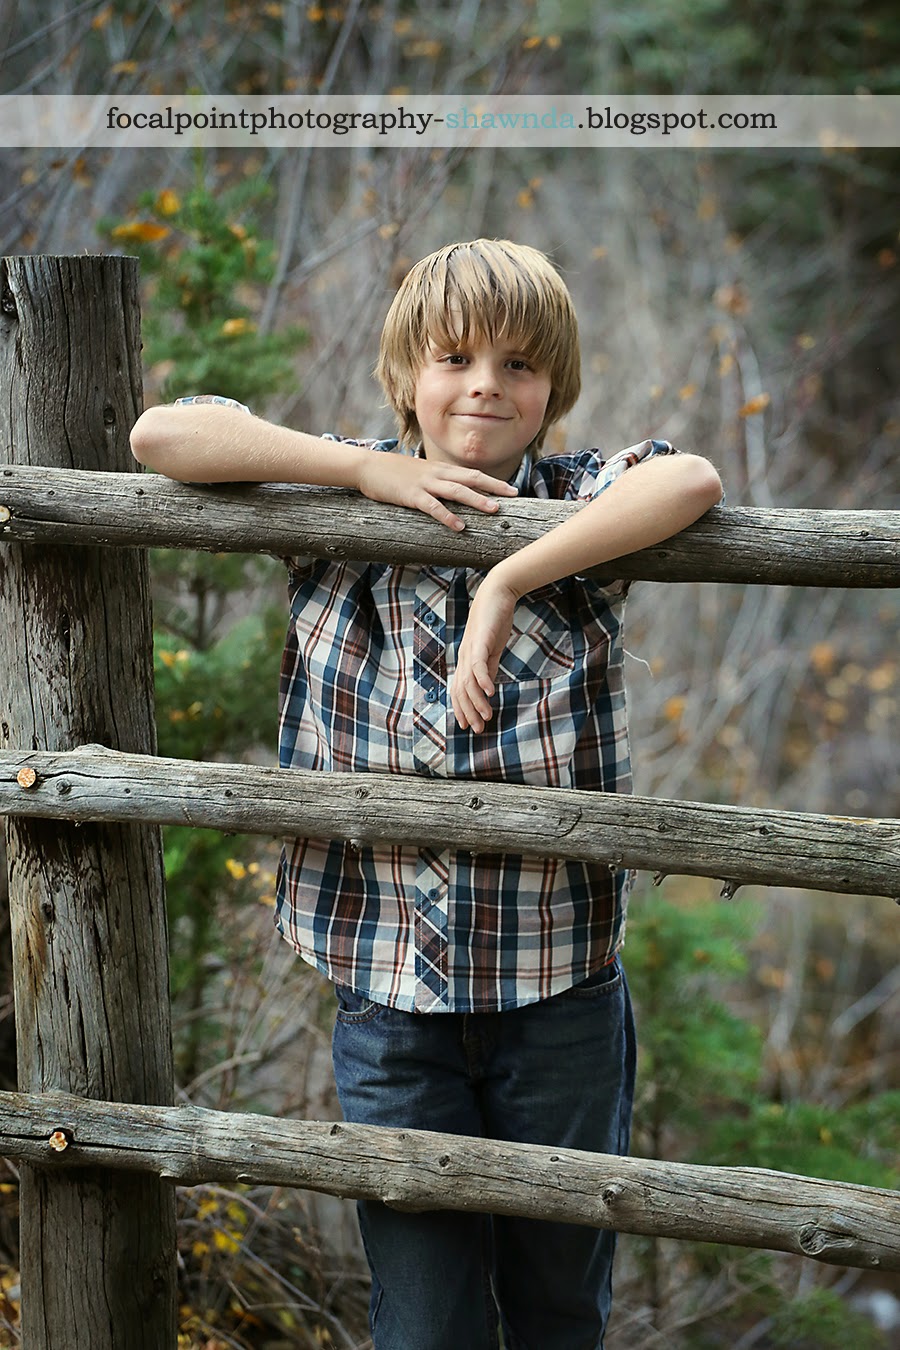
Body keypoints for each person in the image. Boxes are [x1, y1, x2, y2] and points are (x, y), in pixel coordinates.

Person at [131, 238, 723, 1350]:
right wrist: (363, 476)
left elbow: (691, 480)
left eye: (518, 364)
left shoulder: (576, 504)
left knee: (559, 1310)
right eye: (454, 358)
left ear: (553, 387)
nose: (485, 386)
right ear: (406, 374)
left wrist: (510, 576)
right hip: (388, 996)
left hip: (559, 991)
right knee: (425, 1321)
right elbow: (162, 434)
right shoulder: (339, 491)